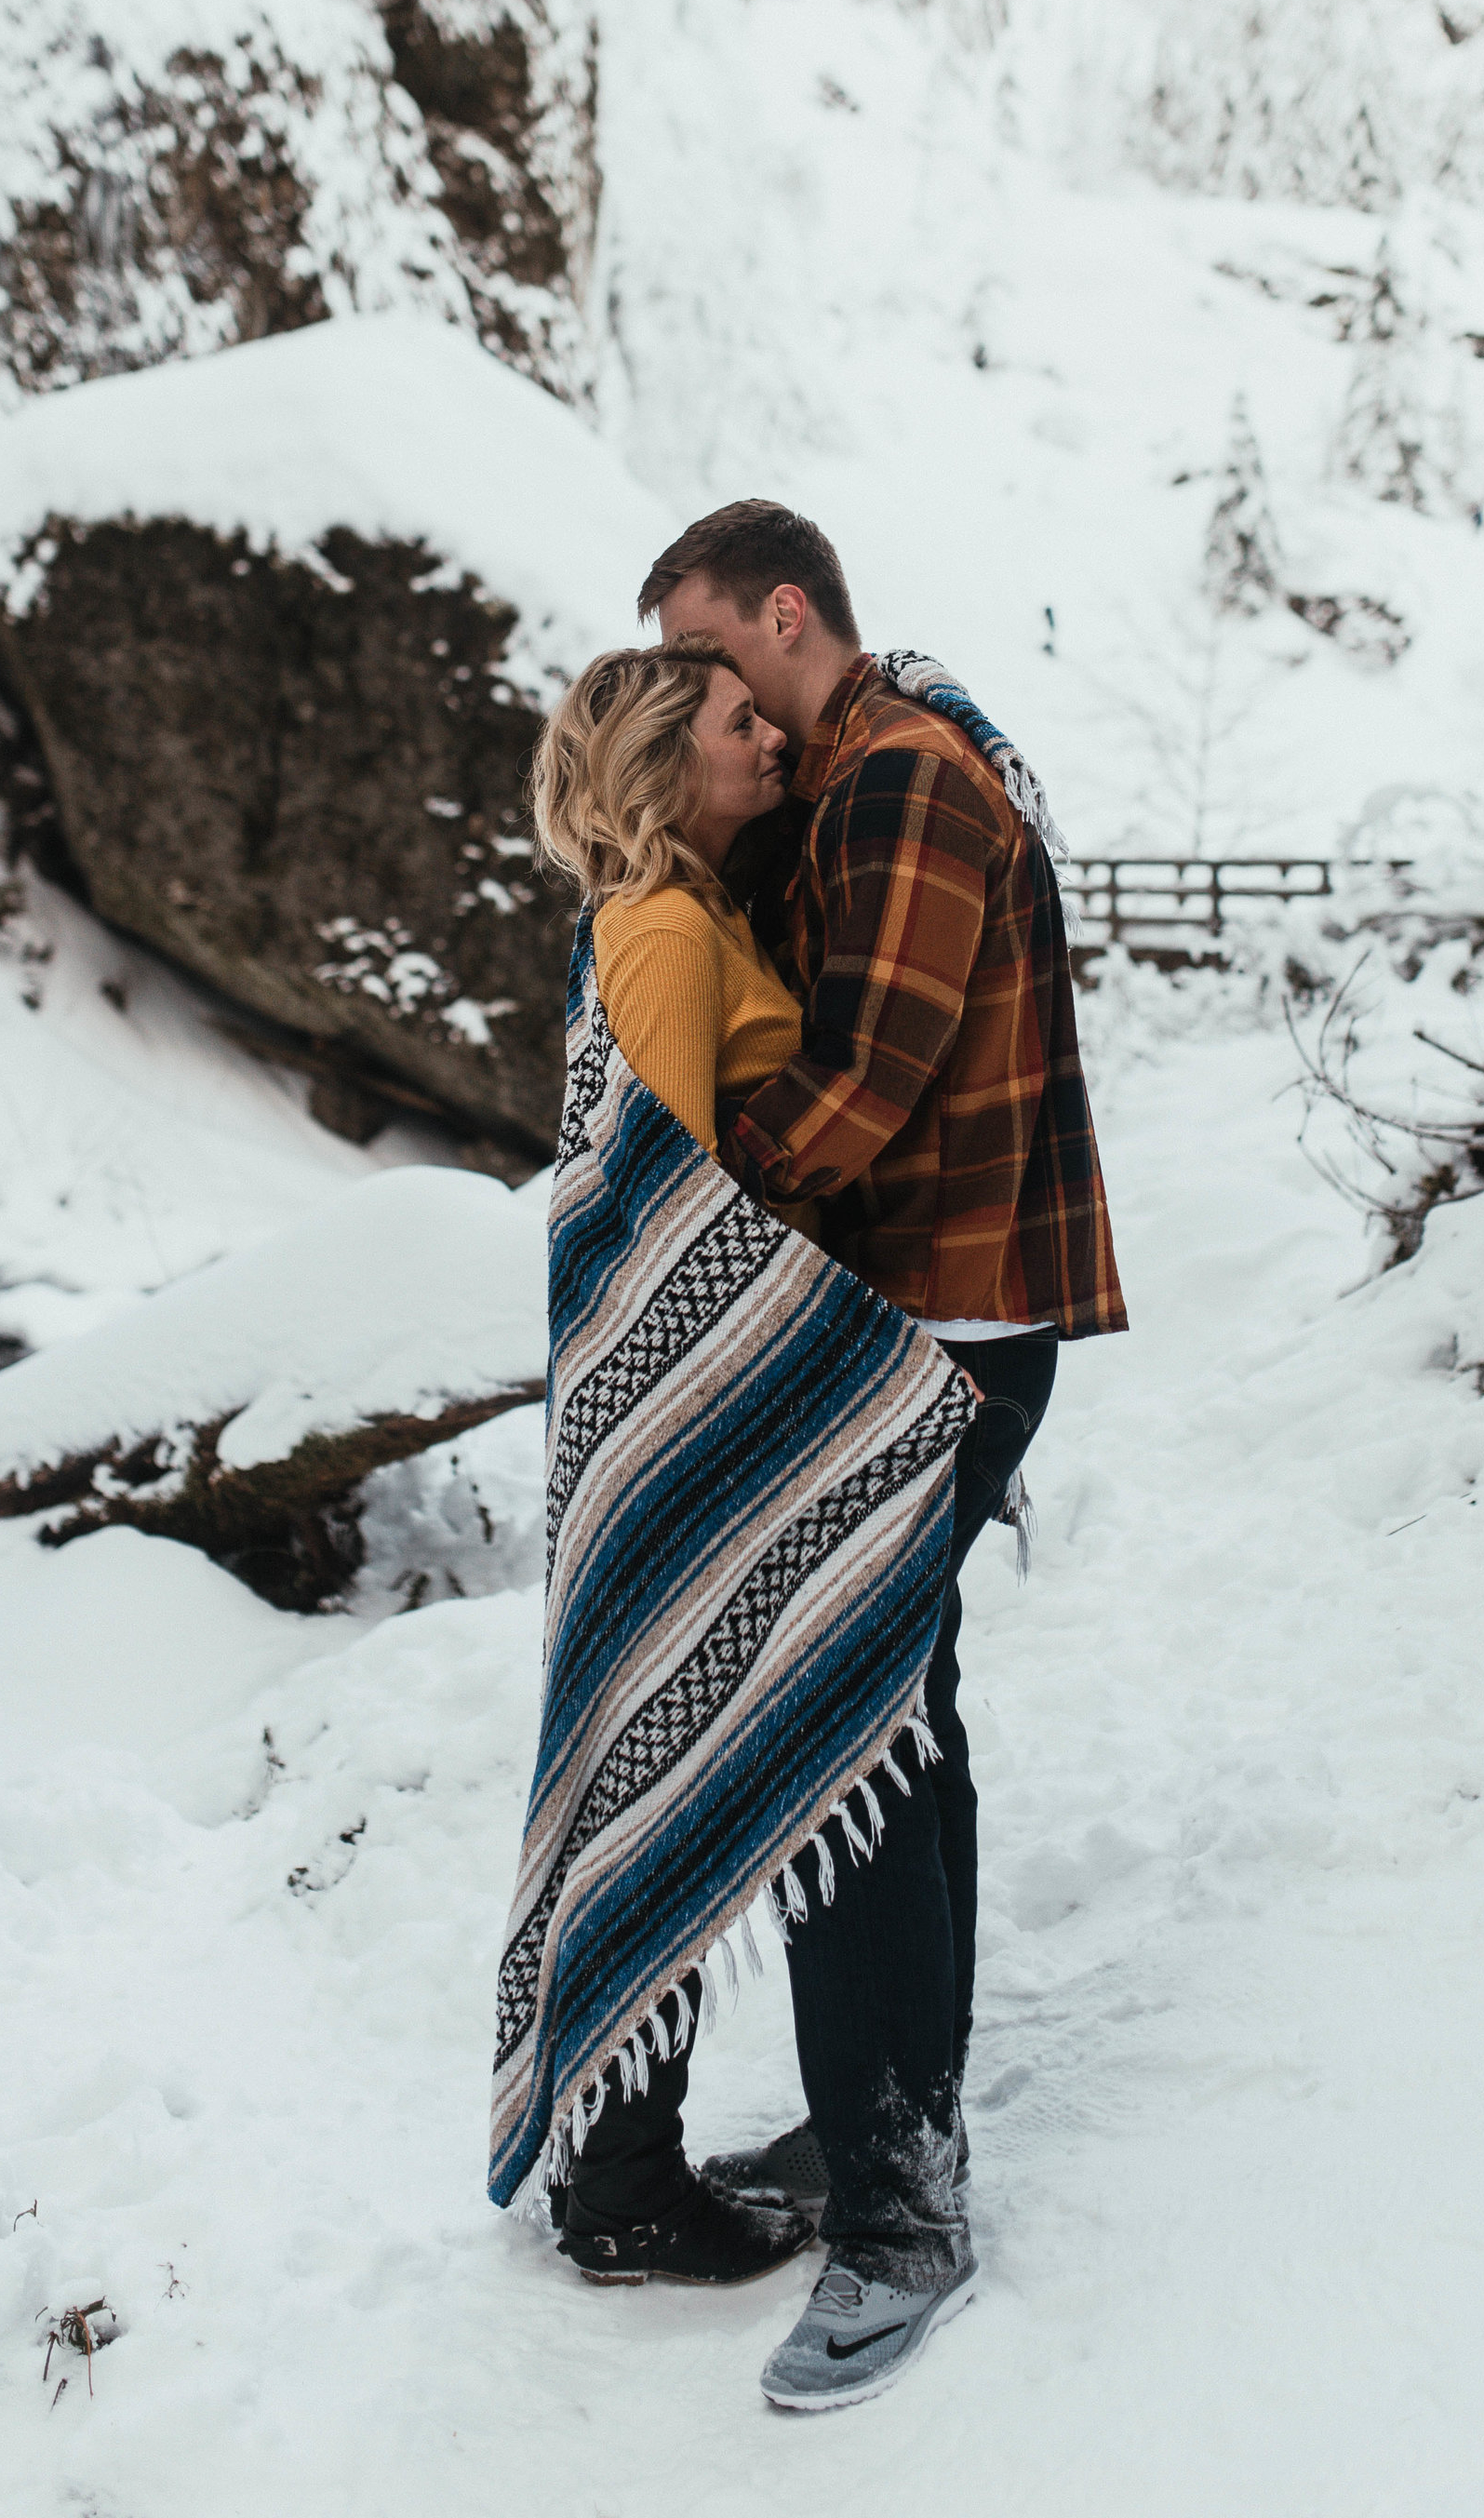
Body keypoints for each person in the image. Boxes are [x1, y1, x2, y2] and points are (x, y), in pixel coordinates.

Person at [641, 498, 1128, 2415]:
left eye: (707, 651)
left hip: (939, 1325)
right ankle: (887, 2132)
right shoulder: (856, 773)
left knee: (840, 1732)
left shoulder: (899, 784)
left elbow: (868, 1078)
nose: (698, 690)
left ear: (785, 613)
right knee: (895, 1720)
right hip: (915, 1315)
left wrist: (675, 1223)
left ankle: (901, 2216)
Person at [521, 635, 823, 2286]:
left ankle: (624, 2163)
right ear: (662, 768)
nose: (766, 738)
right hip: (678, 1416)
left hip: (682, 1411)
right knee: (656, 1771)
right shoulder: (656, 934)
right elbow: (659, 1200)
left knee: (669, 1758)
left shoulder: (692, 916)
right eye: (734, 724)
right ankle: (625, 2189)